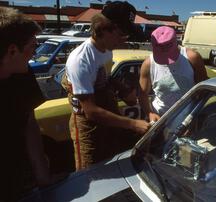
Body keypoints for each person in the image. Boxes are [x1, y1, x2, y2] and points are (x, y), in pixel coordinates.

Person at [62, 1, 150, 171]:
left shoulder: (106, 50)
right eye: (121, 33)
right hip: (88, 124)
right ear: (102, 29)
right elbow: (91, 112)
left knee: (110, 161)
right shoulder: (81, 59)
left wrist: (123, 89)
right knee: (89, 172)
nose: (124, 38)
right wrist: (134, 124)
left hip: (106, 113)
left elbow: (105, 77)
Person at [0, 7, 52, 201]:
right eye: (33, 45)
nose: (35, 51)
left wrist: (43, 179)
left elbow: (29, 122)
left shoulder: (23, 74)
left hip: (16, 179)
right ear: (12, 50)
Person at [139, 26, 208, 122]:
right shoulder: (148, 64)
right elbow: (142, 94)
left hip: (188, 117)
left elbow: (203, 90)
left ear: (176, 43)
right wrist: (150, 113)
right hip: (161, 119)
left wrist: (194, 117)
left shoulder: (192, 58)